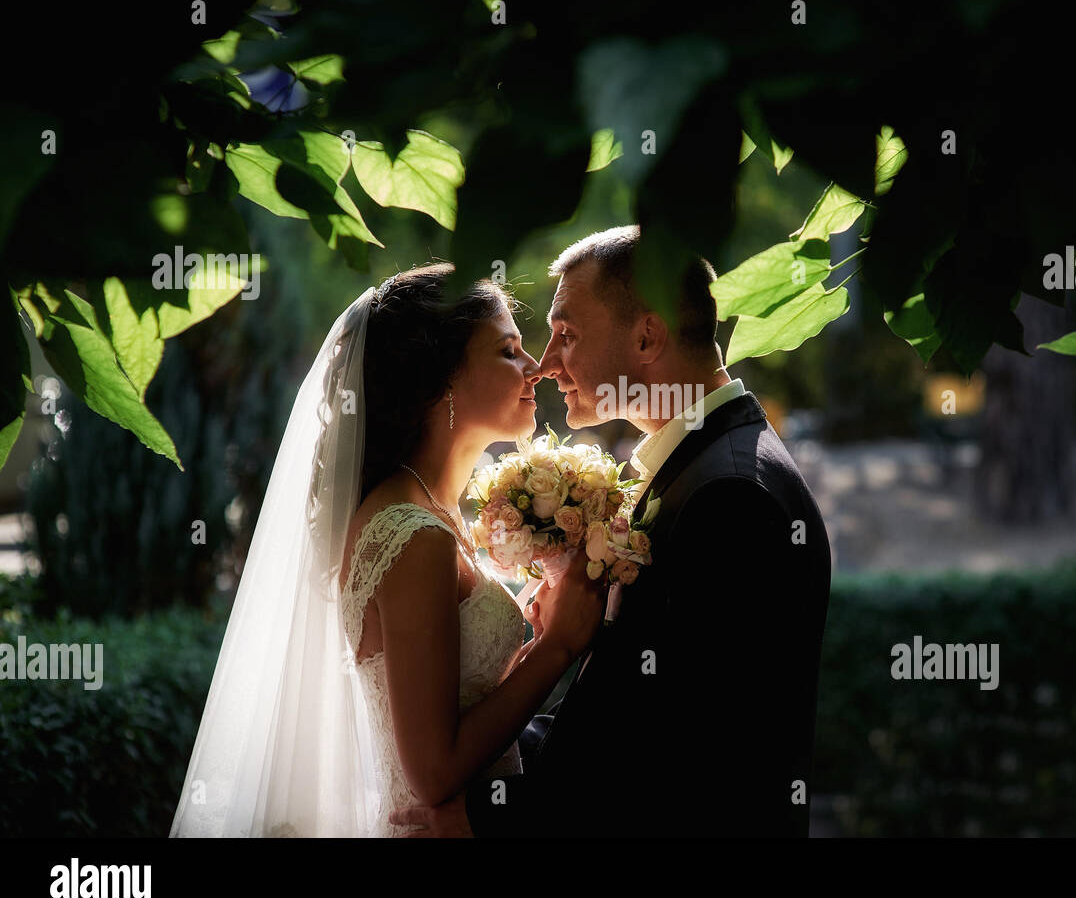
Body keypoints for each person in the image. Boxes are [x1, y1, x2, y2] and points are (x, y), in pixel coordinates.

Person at [391, 227, 833, 837]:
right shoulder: (697, 472)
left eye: (567, 334)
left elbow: (683, 762)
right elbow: (617, 717)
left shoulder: (730, 496)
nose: (545, 364)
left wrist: (484, 814)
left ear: (647, 336)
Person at [169, 262, 606, 837]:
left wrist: (530, 646)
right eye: (507, 351)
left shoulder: (427, 512)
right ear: (440, 380)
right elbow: (433, 771)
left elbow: (456, 703)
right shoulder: (412, 534)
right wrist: (556, 649)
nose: (536, 368)